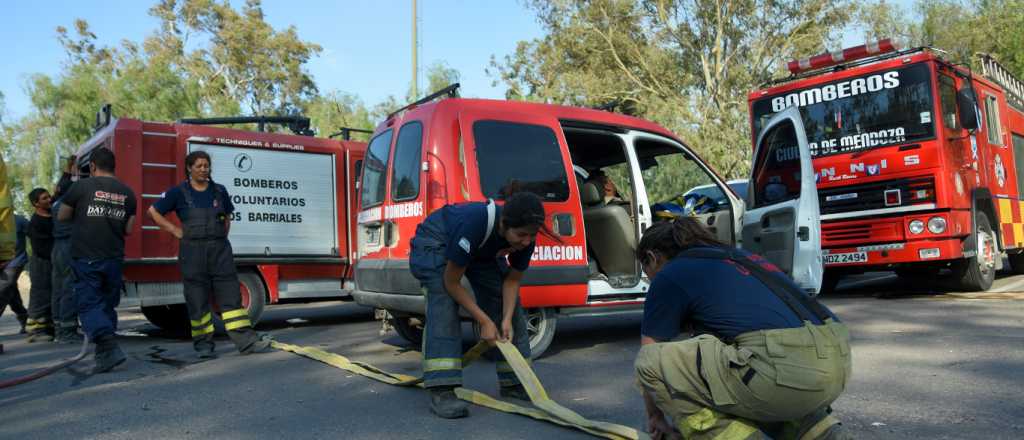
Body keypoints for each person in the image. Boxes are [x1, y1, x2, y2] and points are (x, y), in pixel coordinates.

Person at [634, 218, 852, 440]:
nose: (649, 279)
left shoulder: (669, 273)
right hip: (836, 359)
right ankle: (820, 430)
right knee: (740, 368)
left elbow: (650, 353)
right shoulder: (741, 257)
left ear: (653, 257)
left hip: (783, 366)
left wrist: (655, 417)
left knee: (650, 361)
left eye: (646, 271)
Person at [408, 192, 548, 419]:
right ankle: (442, 389)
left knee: (506, 308)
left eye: (531, 236)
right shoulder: (475, 223)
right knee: (444, 302)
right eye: (521, 235)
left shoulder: (525, 239)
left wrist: (504, 319)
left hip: (479, 251)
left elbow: (512, 281)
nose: (526, 242)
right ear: (503, 225)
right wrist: (483, 321)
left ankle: (515, 383)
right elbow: (451, 282)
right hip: (436, 241)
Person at [147, 150, 271, 358]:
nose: (204, 169)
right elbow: (153, 211)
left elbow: (227, 217)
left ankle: (246, 342)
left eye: (206, 166)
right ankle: (203, 346)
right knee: (197, 299)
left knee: (231, 297)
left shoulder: (219, 191)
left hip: (219, 251)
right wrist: (176, 231)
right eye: (199, 166)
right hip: (192, 252)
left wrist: (221, 237)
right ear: (189, 168)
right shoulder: (178, 193)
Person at [58, 148, 137, 373]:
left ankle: (107, 345)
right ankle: (105, 356)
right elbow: (129, 229)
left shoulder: (81, 187)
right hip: (113, 257)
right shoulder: (128, 193)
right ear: (114, 166)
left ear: (92, 166)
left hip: (86, 256)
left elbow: (62, 215)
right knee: (106, 305)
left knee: (89, 303)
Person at [50, 166, 83, 344]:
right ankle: (68, 331)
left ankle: (58, 327)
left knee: (59, 288)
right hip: (69, 246)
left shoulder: (55, 203)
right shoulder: (69, 205)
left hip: (57, 248)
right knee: (70, 287)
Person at [25, 188, 55, 342]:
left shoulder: (53, 216)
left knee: (51, 294)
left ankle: (48, 327)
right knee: (40, 295)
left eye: (49, 196)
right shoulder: (34, 223)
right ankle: (35, 331)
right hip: (41, 263)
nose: (49, 199)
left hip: (53, 261)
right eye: (44, 198)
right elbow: (42, 249)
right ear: (35, 203)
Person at [0, 215, 30, 334]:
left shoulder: (19, 220)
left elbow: (35, 234)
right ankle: (25, 319)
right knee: (11, 292)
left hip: (15, 261)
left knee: (3, 289)